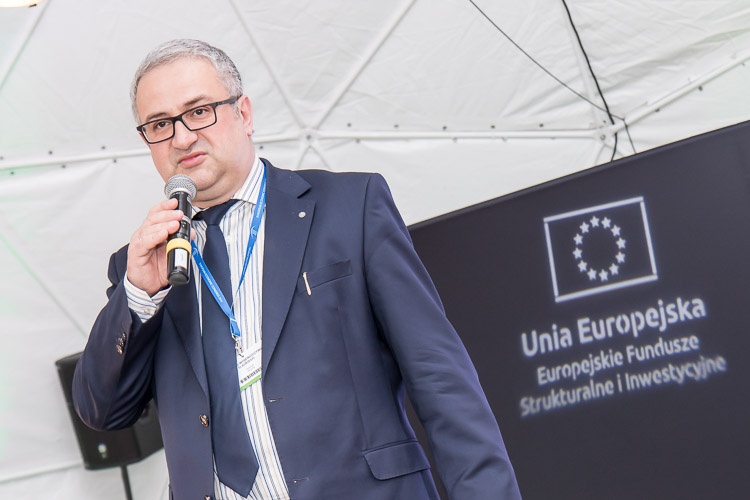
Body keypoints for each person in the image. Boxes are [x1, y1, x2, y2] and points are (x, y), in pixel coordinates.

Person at [73, 39, 521, 500]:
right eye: (160, 124)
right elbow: (103, 411)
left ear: (244, 114)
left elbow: (440, 379)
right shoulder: (148, 262)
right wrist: (138, 295)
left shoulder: (349, 208)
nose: (182, 137)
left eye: (199, 111)